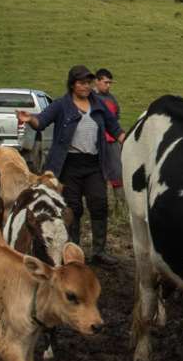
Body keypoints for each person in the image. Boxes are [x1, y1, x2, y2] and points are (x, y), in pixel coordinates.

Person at [17, 64, 125, 266]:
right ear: (72, 84)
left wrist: (129, 142)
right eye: (82, 83)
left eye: (88, 83)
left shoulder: (99, 105)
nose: (86, 86)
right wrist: (29, 119)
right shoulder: (61, 105)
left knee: (99, 204)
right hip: (69, 165)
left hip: (94, 164)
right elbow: (41, 122)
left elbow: (116, 129)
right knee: (73, 208)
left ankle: (99, 251)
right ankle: (73, 250)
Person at [94, 68, 123, 196]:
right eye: (106, 82)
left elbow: (116, 118)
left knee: (117, 171)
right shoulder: (89, 98)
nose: (108, 85)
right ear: (97, 81)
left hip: (112, 141)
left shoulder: (112, 99)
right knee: (96, 172)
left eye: (110, 83)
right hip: (95, 141)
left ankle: (119, 202)